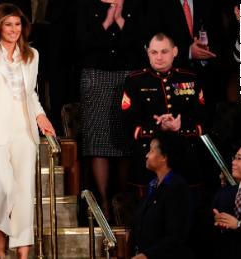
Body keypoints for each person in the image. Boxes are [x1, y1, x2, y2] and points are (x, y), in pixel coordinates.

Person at [0, 3, 55, 258]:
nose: (14, 29)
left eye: (18, 24)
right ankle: (2, 233)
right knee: (4, 188)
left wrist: (40, 115)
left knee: (24, 192)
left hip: (23, 132)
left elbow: (30, 94)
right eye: (8, 24)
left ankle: (23, 253)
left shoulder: (31, 56)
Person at [75, 0, 148, 216]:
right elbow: (80, 44)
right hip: (96, 78)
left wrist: (121, 22)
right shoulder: (86, 6)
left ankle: (122, 200)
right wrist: (106, 23)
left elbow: (142, 44)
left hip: (128, 77)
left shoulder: (135, 6)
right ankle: (104, 202)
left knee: (125, 139)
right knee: (98, 141)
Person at [122, 32, 206, 191]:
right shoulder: (135, 81)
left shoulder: (190, 79)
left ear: (174, 52)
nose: (159, 57)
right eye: (154, 52)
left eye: (164, 51)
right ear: (148, 53)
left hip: (185, 155)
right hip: (148, 158)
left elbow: (203, 120)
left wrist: (179, 127)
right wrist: (159, 128)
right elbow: (129, 126)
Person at [132, 132, 194, 259]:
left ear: (164, 157)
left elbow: (176, 236)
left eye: (151, 150)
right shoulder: (152, 185)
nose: (147, 155)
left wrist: (146, 255)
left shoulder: (177, 188)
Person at [212, 138, 241, 259]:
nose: (233, 162)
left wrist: (238, 225)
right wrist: (216, 220)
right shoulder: (224, 194)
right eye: (234, 158)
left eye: (239, 158)